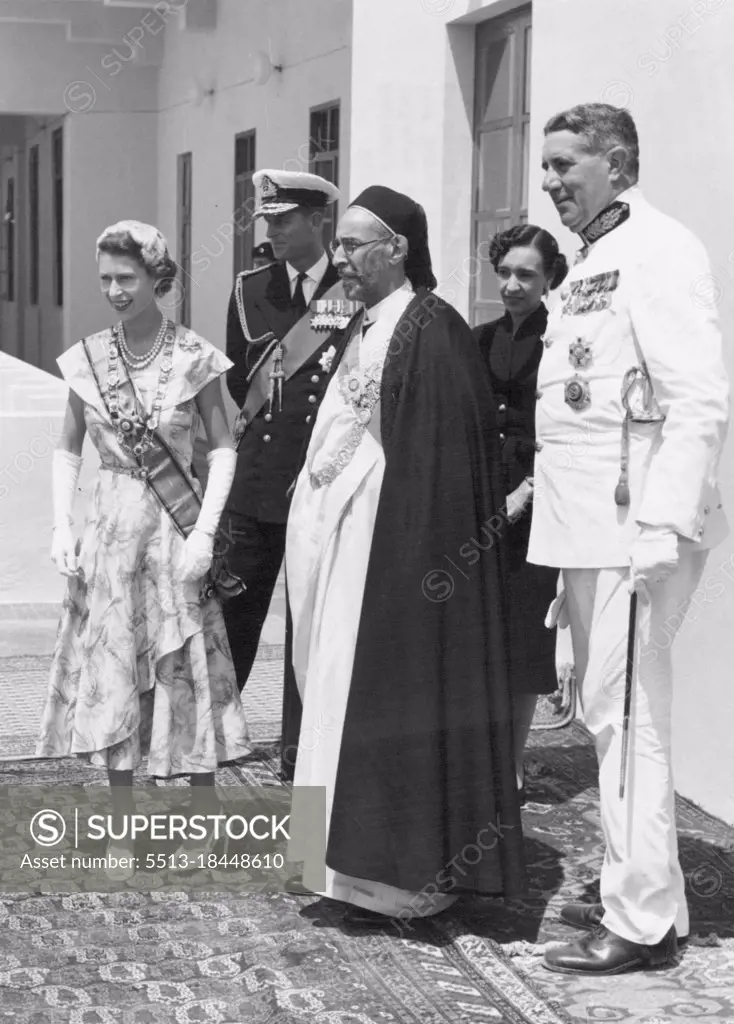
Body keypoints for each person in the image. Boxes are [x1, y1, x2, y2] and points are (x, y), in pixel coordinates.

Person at [285, 185, 527, 925]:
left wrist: (411, 565)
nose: (341, 259)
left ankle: (403, 879)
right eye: (341, 245)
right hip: (350, 547)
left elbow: (441, 469)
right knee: (330, 692)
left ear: (396, 249)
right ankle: (339, 865)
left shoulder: (432, 328)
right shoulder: (365, 324)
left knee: (392, 703)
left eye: (356, 245)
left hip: (400, 560)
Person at [529, 103, 729, 974]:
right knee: (615, 718)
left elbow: (697, 400)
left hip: (632, 530)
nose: (549, 181)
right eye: (545, 166)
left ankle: (640, 922)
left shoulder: (658, 249)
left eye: (565, 164)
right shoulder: (592, 261)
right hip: (586, 529)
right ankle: (658, 905)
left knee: (626, 722)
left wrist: (659, 525)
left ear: (615, 163)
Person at [37, 220, 252, 876]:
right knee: (112, 674)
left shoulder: (194, 356)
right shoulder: (88, 359)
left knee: (184, 668)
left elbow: (222, 448)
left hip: (172, 535)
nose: (114, 290)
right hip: (109, 536)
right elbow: (67, 447)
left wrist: (207, 533)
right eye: (105, 278)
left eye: (126, 278)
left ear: (158, 277)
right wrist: (59, 524)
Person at [221, 171, 355, 777]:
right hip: (256, 481)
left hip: (321, 478)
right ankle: (217, 735)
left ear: (319, 221)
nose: (273, 231)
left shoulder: (352, 289)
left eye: (284, 220)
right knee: (234, 615)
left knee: (312, 621)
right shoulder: (250, 288)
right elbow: (234, 380)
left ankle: (301, 750)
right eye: (268, 221)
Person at [473, 225, 569, 800]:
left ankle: (510, 762)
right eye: (505, 272)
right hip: (481, 504)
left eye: (526, 275)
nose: (512, 285)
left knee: (524, 638)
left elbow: (566, 434)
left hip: (539, 507)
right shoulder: (477, 340)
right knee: (478, 631)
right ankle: (475, 757)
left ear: (549, 279)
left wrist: (525, 492)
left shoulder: (564, 342)